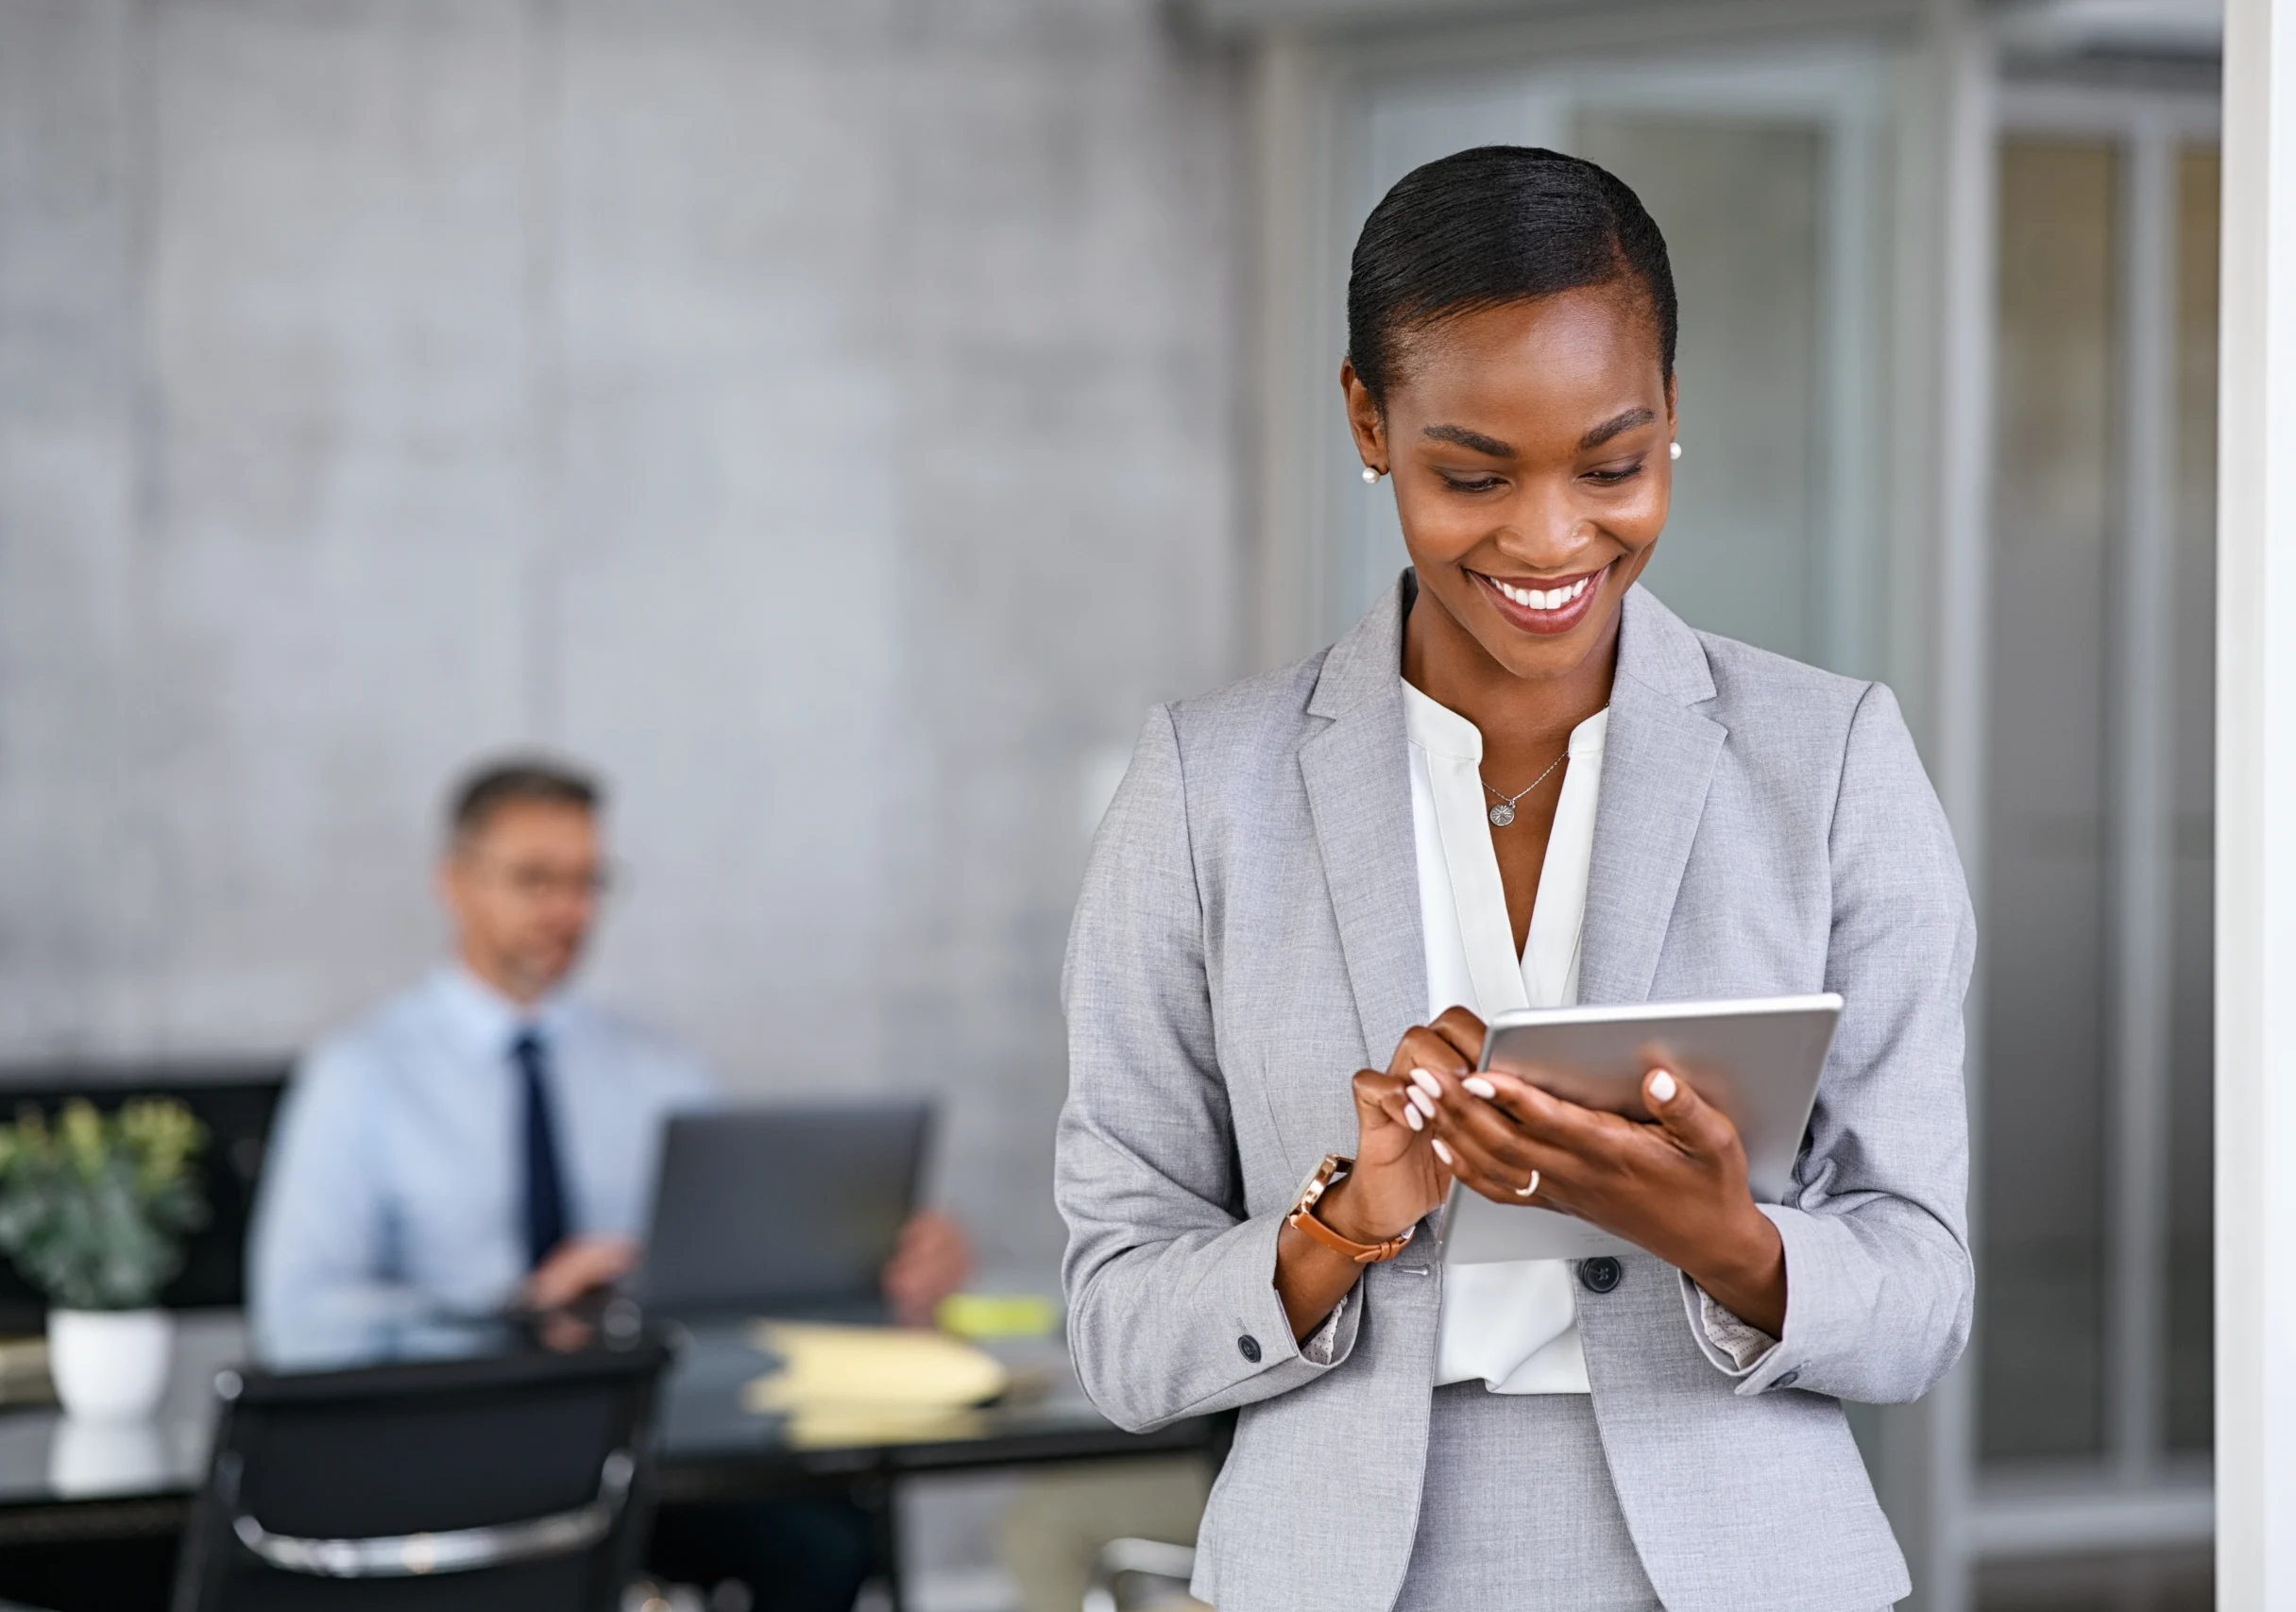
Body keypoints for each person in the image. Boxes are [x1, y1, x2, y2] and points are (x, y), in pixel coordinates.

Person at [1055, 146, 1974, 1612]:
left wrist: (1728, 1241)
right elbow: (1115, 1324)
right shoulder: (1204, 787)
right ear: (1368, 419)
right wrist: (1341, 1219)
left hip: (1742, 1568)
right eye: (1473, 474)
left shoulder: (1834, 762)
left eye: (1611, 464)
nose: (1550, 537)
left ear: (1672, 414)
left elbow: (1922, 1295)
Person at [250, 756, 970, 1610]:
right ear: (455, 882)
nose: (569, 911)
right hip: (451, 1461)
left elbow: (737, 1284)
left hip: (646, 1454)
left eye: (589, 882)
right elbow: (296, 1318)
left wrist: (874, 1269)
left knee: (822, 1542)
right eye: (535, 880)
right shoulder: (360, 1077)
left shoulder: (660, 1072)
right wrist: (518, 1305)